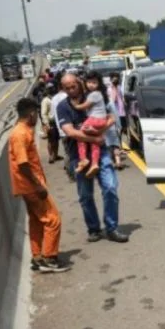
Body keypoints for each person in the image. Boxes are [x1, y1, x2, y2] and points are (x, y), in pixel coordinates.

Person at [56, 73, 129, 243]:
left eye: (73, 86)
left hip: (101, 152)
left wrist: (100, 130)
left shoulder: (95, 97)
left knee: (110, 187)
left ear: (79, 83)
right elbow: (70, 132)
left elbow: (112, 117)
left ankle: (112, 227)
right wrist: (94, 138)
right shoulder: (62, 107)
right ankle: (93, 228)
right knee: (85, 195)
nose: (71, 90)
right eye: (66, 88)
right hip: (78, 156)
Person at [8, 97, 70, 273]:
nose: (37, 118)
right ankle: (49, 258)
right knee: (53, 219)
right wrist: (38, 186)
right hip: (30, 186)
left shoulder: (22, 131)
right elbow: (23, 164)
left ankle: (37, 257)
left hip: (27, 186)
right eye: (36, 114)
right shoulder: (20, 134)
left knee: (36, 221)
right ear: (31, 114)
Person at [68, 71, 108, 177]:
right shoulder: (98, 93)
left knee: (80, 137)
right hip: (101, 121)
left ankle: (83, 159)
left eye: (94, 82)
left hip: (94, 119)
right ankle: (94, 164)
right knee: (94, 141)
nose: (91, 84)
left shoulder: (94, 94)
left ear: (99, 84)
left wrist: (76, 105)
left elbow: (84, 106)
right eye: (89, 82)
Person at [107, 72, 127, 167]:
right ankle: (116, 153)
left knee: (121, 130)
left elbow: (121, 98)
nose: (116, 80)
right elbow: (112, 100)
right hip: (115, 113)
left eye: (117, 78)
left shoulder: (119, 87)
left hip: (121, 112)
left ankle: (119, 148)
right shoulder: (110, 89)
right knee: (116, 132)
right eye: (114, 78)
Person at [40, 84, 63, 163]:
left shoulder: (55, 98)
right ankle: (51, 156)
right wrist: (46, 124)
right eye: (50, 88)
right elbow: (43, 113)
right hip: (50, 123)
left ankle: (56, 155)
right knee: (50, 140)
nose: (52, 89)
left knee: (56, 140)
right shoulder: (46, 100)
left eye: (53, 88)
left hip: (57, 122)